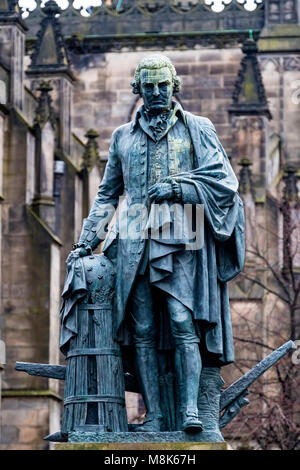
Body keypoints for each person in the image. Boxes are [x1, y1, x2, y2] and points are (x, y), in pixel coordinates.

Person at [67, 55, 245, 433]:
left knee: (184, 323)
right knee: (143, 330)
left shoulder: (198, 128)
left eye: (163, 85)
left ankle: (190, 411)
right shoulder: (122, 137)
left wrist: (179, 187)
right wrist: (86, 242)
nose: (157, 92)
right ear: (138, 89)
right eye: (148, 86)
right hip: (133, 239)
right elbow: (106, 196)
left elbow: (225, 182)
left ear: (173, 85)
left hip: (184, 235)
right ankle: (156, 416)